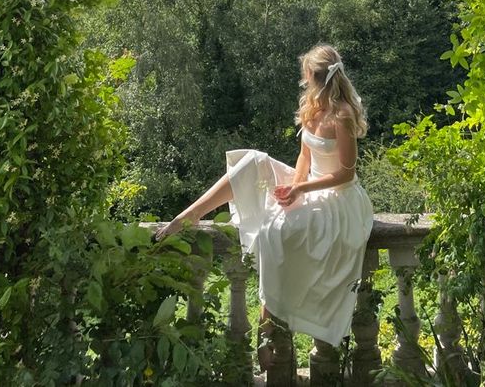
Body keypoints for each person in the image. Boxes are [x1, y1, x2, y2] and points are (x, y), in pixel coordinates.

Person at [155, 43, 374, 359]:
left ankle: (268, 322)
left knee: (275, 230)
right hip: (309, 184)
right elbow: (303, 156)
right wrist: (294, 187)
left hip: (339, 199)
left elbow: (345, 175)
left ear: (314, 75)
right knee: (253, 162)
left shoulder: (342, 115)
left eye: (305, 75)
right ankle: (188, 215)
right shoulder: (312, 107)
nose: (303, 80)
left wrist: (300, 191)